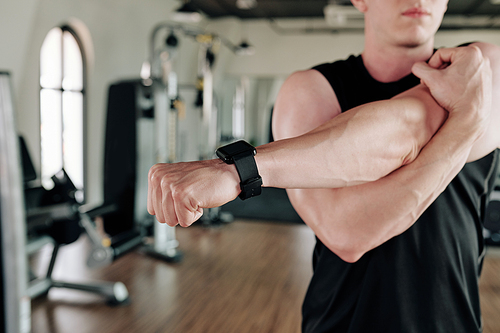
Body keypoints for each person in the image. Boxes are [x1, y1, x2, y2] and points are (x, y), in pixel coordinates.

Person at [147, 0, 500, 331]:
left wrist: (240, 169)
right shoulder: (309, 90)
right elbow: (347, 232)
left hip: (454, 319)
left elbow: (409, 128)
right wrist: (465, 121)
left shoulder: (485, 64)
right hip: (343, 320)